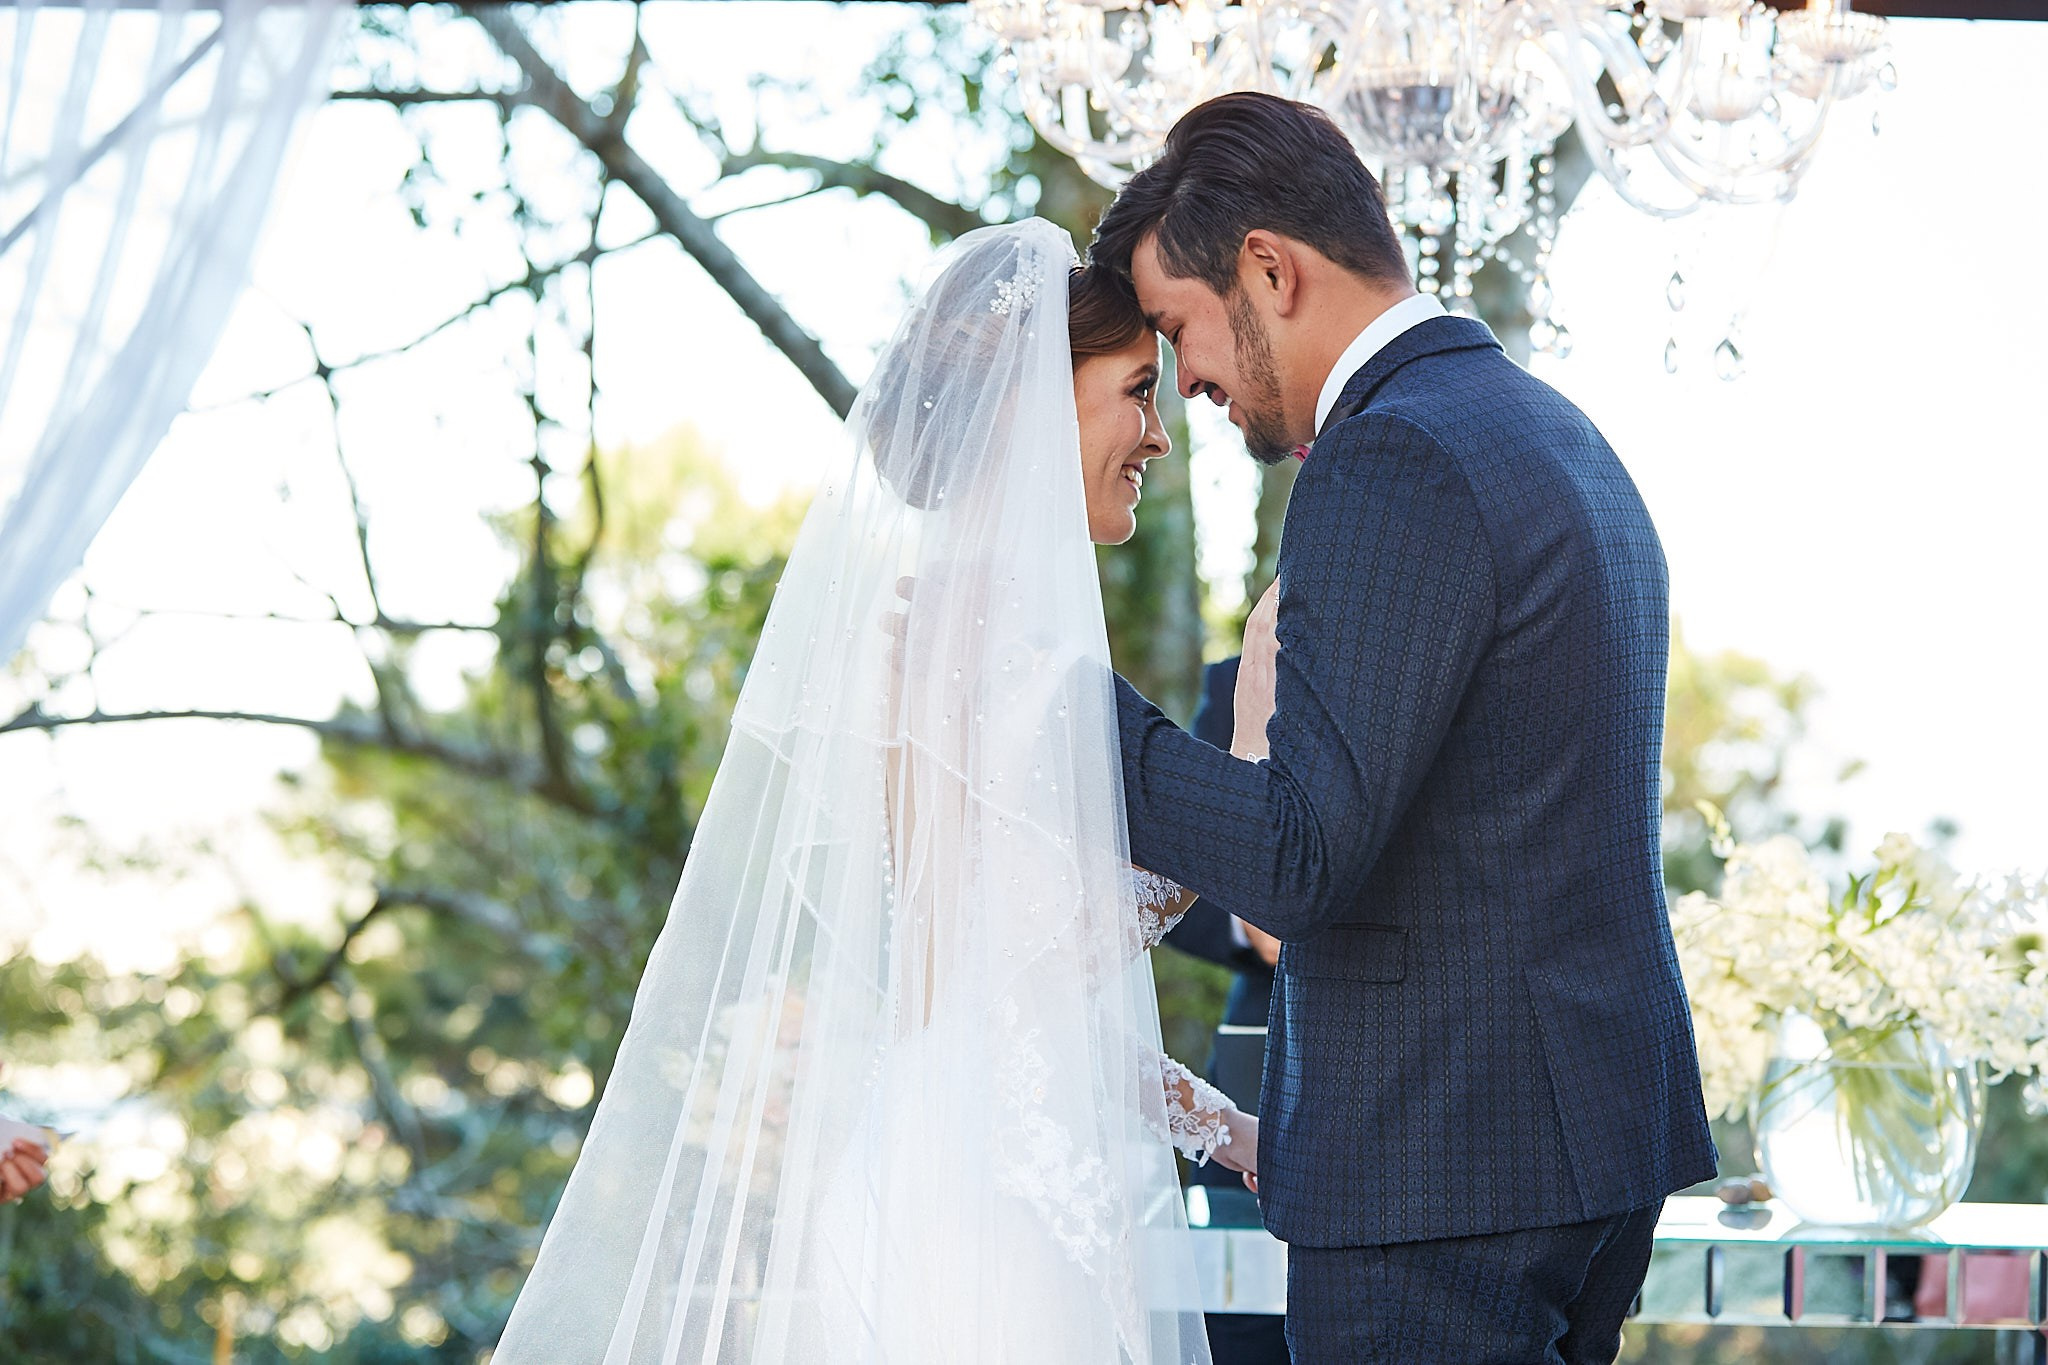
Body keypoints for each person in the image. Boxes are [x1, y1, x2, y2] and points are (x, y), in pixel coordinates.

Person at [493, 219, 1252, 1365]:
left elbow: (990, 1008)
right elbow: (995, 1007)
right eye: (1136, 393)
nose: (1155, 434)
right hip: (982, 1216)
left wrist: (1230, 1133)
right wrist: (1244, 770)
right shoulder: (979, 642)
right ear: (1033, 407)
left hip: (973, 1172)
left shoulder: (952, 624)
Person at [1089, 91, 1718, 1363]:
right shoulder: (1554, 434)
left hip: (1442, 1174)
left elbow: (1295, 859)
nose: (1187, 380)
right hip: (1584, 1142)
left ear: (1266, 270)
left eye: (1177, 328)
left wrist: (1073, 707)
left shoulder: (1392, 458)